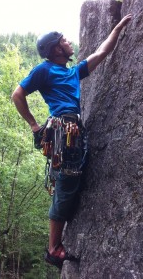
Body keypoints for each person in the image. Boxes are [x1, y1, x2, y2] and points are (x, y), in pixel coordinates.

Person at [12, 14, 132, 269]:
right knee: (66, 184)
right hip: (63, 130)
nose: (69, 43)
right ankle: (53, 248)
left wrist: (118, 27)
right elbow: (17, 94)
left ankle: (55, 244)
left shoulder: (72, 72)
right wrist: (34, 125)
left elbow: (100, 53)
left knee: (70, 181)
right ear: (56, 48)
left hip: (73, 131)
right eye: (65, 40)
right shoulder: (44, 70)